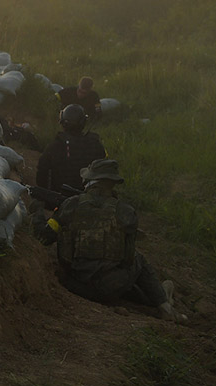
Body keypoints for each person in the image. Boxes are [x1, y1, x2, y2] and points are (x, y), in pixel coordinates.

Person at [41, 160, 183, 321]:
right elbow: (127, 259)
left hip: (76, 284)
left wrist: (37, 212)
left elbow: (44, 238)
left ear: (90, 181)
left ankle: (159, 296)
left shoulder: (70, 204)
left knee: (117, 276)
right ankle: (164, 305)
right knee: (138, 260)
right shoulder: (126, 212)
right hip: (110, 288)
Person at [36, 104, 107, 195]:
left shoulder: (55, 146)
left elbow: (41, 173)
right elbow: (104, 172)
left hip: (61, 199)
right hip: (88, 198)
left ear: (63, 123)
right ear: (83, 122)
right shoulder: (95, 143)